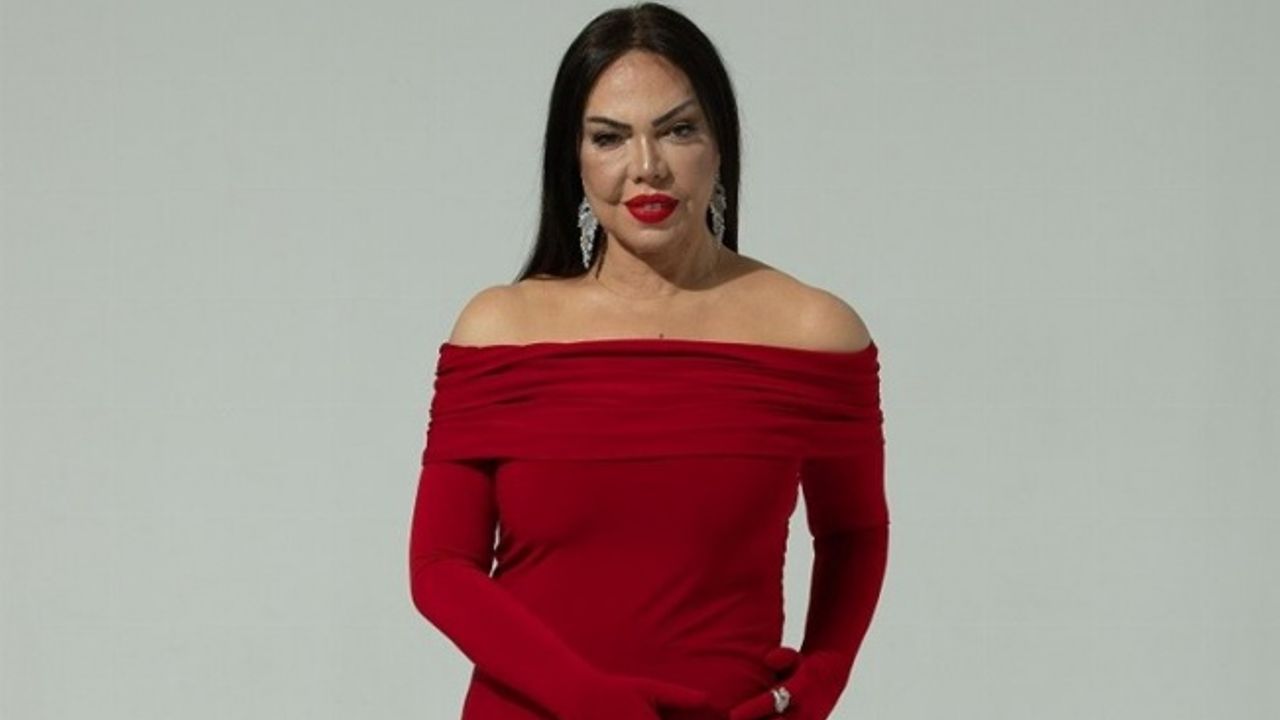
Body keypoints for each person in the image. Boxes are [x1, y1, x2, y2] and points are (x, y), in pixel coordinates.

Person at [407, 3, 890, 718]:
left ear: (719, 144)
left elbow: (854, 533)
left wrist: (816, 686)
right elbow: (440, 567)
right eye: (609, 137)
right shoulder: (501, 331)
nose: (646, 167)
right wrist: (593, 701)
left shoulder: (812, 332)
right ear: (574, 158)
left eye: (678, 130)